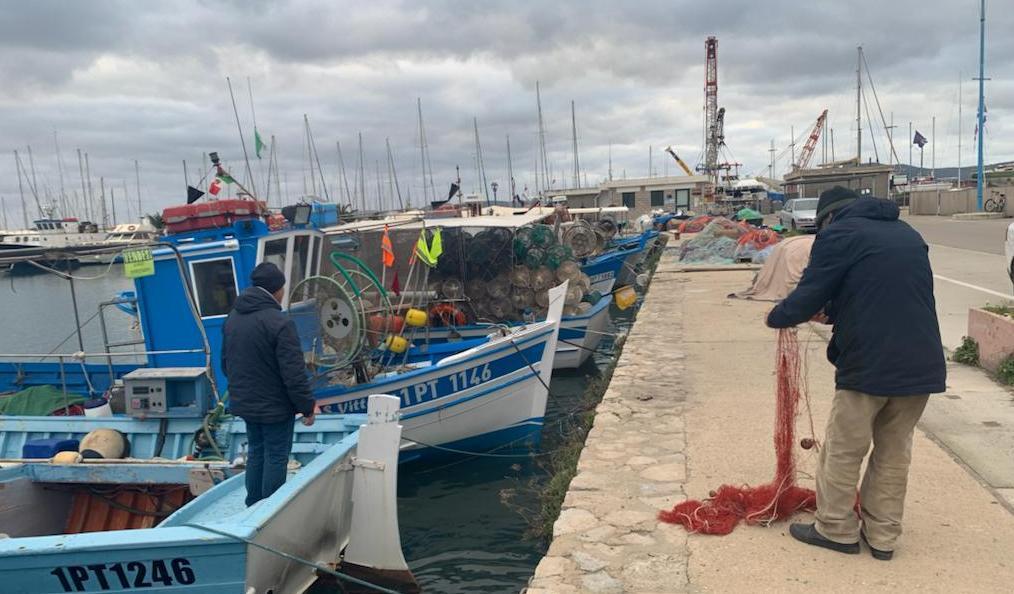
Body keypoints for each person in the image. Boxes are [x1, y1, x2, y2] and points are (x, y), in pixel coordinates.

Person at [766, 186, 946, 560]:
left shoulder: (839, 234)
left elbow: (809, 293)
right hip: (922, 362)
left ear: (829, 217)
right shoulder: (907, 234)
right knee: (894, 451)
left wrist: (778, 316)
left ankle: (835, 529)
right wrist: (834, 310)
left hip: (869, 362)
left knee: (845, 450)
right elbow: (877, 291)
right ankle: (882, 537)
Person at [222, 262, 316, 506]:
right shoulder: (279, 322)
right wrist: (306, 407)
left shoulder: (233, 318)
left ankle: (253, 503)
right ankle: (270, 508)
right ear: (278, 289)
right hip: (275, 407)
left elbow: (225, 363)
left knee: (256, 452)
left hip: (245, 403)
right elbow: (293, 374)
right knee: (276, 455)